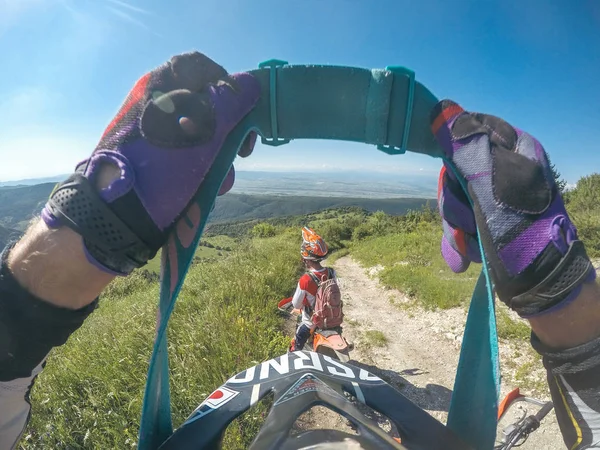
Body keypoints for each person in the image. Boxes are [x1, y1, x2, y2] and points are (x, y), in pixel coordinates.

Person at [0, 51, 598, 450]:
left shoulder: (313, 277)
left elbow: (300, 302)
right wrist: (562, 299)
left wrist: (54, 267)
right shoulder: (325, 270)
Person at [288, 227, 342, 352]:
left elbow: (296, 304)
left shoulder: (305, 280)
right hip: (332, 319)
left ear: (305, 258)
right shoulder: (331, 272)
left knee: (297, 341)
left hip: (312, 323)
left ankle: (295, 356)